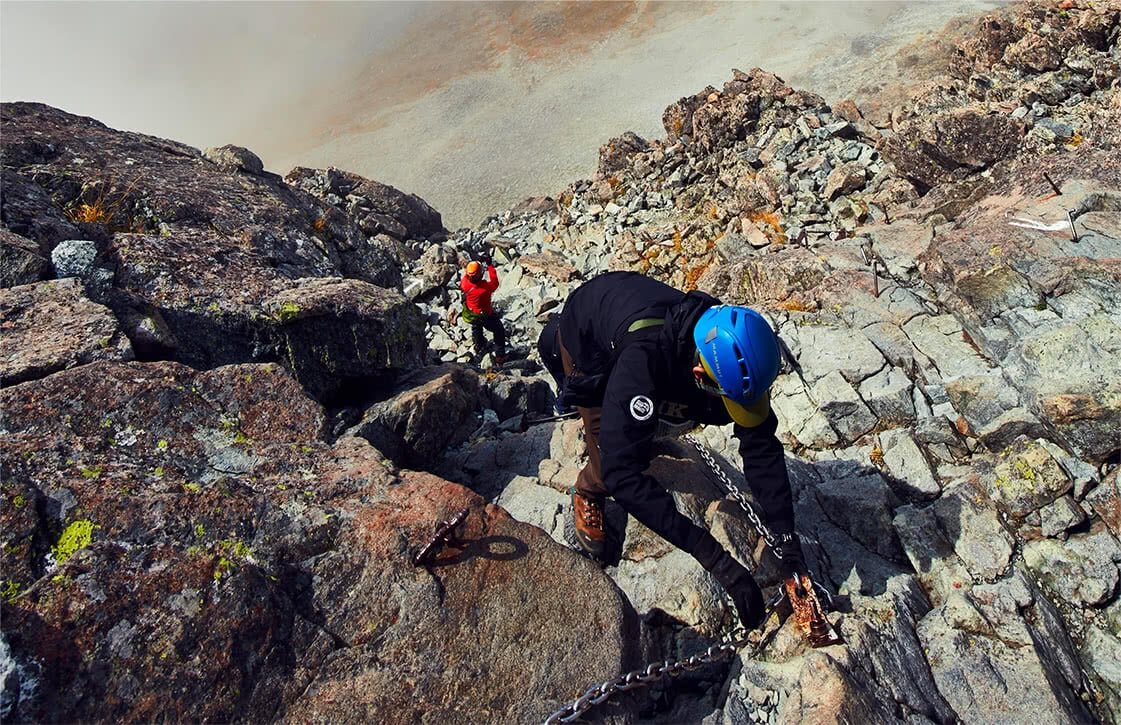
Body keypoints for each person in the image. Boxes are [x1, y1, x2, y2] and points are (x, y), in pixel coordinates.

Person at [537, 271, 804, 631]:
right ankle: (587, 489)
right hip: (590, 341)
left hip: (629, 318)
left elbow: (760, 444)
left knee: (654, 422)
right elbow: (623, 475)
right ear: (698, 370)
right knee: (612, 455)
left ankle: (642, 426)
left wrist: (787, 537)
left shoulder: (731, 349)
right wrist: (718, 562)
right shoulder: (643, 361)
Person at [460, 255, 507, 363]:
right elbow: (495, 282)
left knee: (477, 328)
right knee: (499, 330)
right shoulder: (485, 288)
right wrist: (490, 265)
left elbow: (468, 273)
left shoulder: (465, 283)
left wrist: (476, 262)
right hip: (486, 314)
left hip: (471, 313)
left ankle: (479, 346)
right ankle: (500, 356)